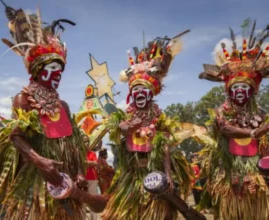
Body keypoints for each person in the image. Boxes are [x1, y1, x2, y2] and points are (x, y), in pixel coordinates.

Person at [0, 2, 107, 219]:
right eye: (52, 68)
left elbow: (75, 143)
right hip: (36, 182)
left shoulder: (63, 106)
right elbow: (15, 136)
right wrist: (40, 161)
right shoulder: (23, 99)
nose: (58, 74)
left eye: (60, 69)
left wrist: (79, 172)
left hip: (67, 182)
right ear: (36, 70)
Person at [103, 30, 193, 219]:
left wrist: (168, 174)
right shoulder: (123, 115)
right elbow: (121, 130)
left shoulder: (159, 118)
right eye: (136, 90)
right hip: (132, 175)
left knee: (162, 214)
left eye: (144, 90)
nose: (140, 94)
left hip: (156, 173)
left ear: (151, 93)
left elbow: (165, 145)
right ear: (131, 94)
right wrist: (129, 126)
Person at [198, 20, 269, 219]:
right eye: (235, 88)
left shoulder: (261, 114)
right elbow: (226, 130)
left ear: (252, 91)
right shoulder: (222, 111)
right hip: (229, 171)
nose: (239, 91)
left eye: (244, 87)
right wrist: (254, 132)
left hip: (256, 173)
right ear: (229, 90)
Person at [84, 135, 99, 220]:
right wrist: (90, 163)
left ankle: (94, 219)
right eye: (84, 141)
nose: (86, 143)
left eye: (87, 142)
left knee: (93, 200)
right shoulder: (78, 153)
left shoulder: (92, 153)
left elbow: (96, 163)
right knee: (82, 200)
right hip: (82, 179)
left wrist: (86, 162)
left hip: (92, 179)